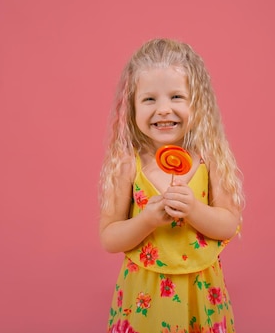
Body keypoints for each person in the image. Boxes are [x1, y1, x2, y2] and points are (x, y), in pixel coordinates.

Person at [99, 38, 244, 333]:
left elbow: (229, 224)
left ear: (197, 102)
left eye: (176, 97)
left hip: (199, 292)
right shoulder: (127, 164)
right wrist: (147, 220)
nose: (163, 110)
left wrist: (193, 209)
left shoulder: (210, 158)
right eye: (150, 99)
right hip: (145, 294)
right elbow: (109, 238)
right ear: (132, 107)